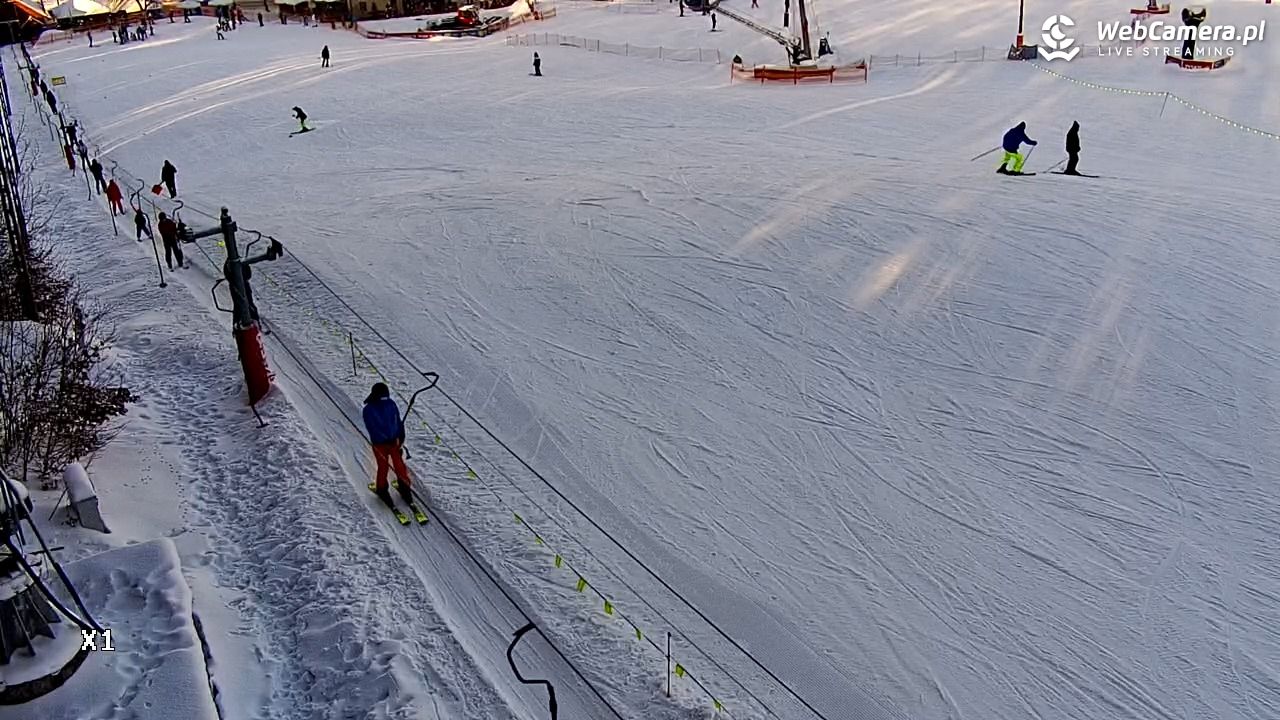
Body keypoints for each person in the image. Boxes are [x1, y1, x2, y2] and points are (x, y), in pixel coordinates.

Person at [362, 382, 413, 507]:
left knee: (384, 466)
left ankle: (382, 489)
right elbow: (398, 422)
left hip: (381, 443)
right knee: (398, 464)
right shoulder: (391, 404)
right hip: (391, 441)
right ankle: (404, 487)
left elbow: (372, 428)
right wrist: (400, 437)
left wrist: (393, 438)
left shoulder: (368, 409)